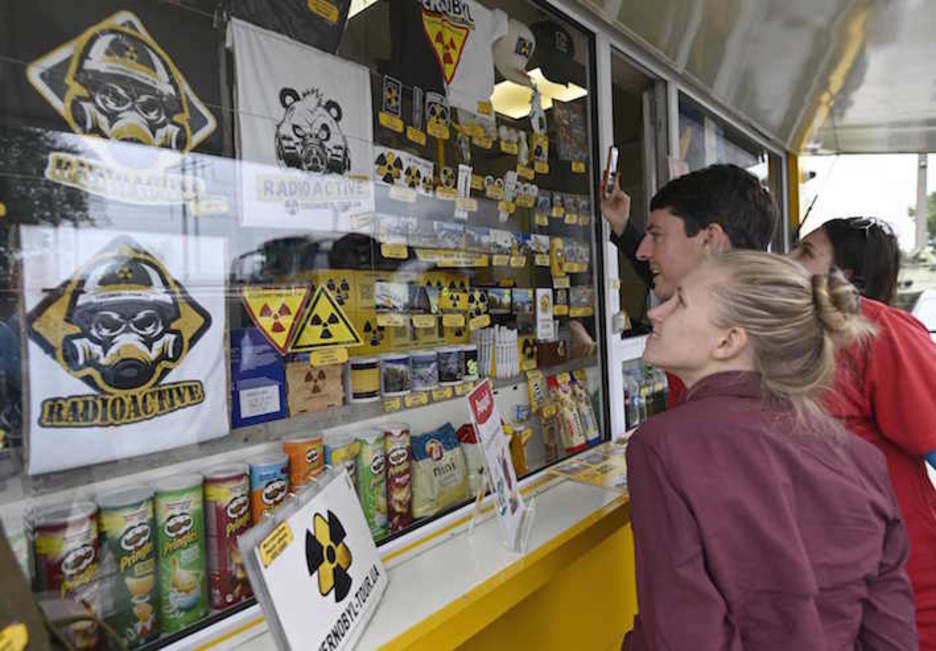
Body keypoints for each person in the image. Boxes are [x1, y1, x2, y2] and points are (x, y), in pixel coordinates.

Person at [622, 251, 917, 650]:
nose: (656, 314)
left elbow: (685, 637)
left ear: (729, 340)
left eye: (681, 302)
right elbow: (892, 635)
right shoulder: (861, 459)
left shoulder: (663, 446)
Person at [794, 216, 936, 649]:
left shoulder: (877, 328)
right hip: (822, 579)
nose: (786, 261)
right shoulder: (785, 337)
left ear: (845, 276)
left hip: (901, 572)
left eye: (805, 253)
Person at [601, 164, 779, 406]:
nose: (655, 314)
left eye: (657, 236)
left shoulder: (736, 391)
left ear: (709, 240)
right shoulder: (768, 320)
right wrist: (622, 227)